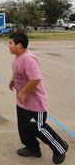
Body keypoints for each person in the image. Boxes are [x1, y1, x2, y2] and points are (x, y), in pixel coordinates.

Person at [8, 32, 68, 164]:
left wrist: (23, 93)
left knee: (38, 128)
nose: (9, 45)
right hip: (22, 102)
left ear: (19, 45)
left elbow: (35, 79)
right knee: (24, 127)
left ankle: (60, 148)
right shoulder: (17, 57)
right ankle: (33, 149)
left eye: (11, 43)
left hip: (35, 103)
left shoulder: (29, 58)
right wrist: (13, 80)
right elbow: (17, 71)